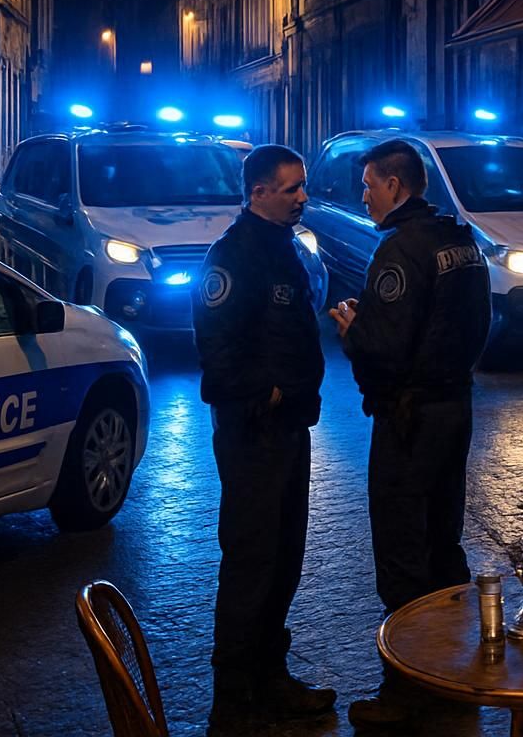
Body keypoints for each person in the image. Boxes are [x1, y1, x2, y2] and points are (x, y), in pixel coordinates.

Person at [329, 139, 492, 729]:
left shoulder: (400, 249)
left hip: (410, 416)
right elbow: (478, 322)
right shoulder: (460, 240)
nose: (363, 196)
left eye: (369, 185)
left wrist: (353, 331)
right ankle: (452, 671)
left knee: (402, 552)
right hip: (454, 407)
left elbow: (385, 348)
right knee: (444, 543)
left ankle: (406, 691)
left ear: (396, 185)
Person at [192, 144, 335, 732]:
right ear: (259, 193)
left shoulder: (285, 248)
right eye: (293, 187)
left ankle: (271, 676)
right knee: (252, 559)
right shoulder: (233, 256)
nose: (304, 196)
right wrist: (270, 393)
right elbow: (219, 352)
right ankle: (233, 695)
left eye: (303, 186)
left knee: (285, 559)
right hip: (255, 434)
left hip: (290, 429)